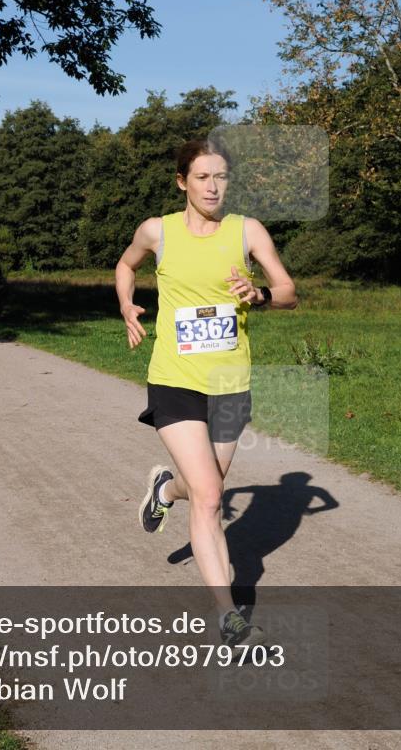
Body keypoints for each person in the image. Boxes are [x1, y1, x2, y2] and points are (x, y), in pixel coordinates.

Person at [115, 137, 298, 650]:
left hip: (229, 382)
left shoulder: (247, 231)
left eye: (220, 177)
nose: (213, 187)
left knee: (200, 489)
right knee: (213, 496)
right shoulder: (158, 232)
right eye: (202, 177)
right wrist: (127, 305)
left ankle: (163, 490)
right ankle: (230, 618)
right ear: (182, 182)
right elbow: (125, 265)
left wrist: (260, 294)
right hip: (174, 378)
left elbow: (288, 290)